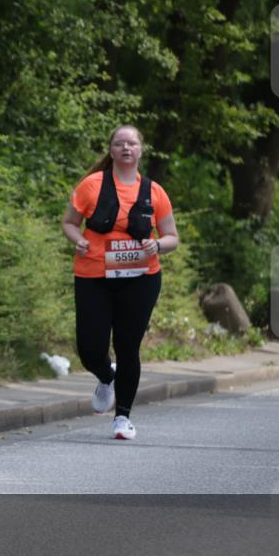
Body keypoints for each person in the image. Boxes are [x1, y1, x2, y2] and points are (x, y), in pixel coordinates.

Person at [61, 125, 179, 440]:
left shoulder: (154, 191)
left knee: (128, 347)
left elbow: (172, 236)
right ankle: (105, 375)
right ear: (111, 150)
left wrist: (159, 245)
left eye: (132, 143)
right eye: (119, 143)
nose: (126, 148)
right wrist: (78, 241)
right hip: (93, 276)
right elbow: (69, 223)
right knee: (89, 347)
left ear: (141, 150)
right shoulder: (91, 185)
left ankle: (122, 417)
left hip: (141, 278)